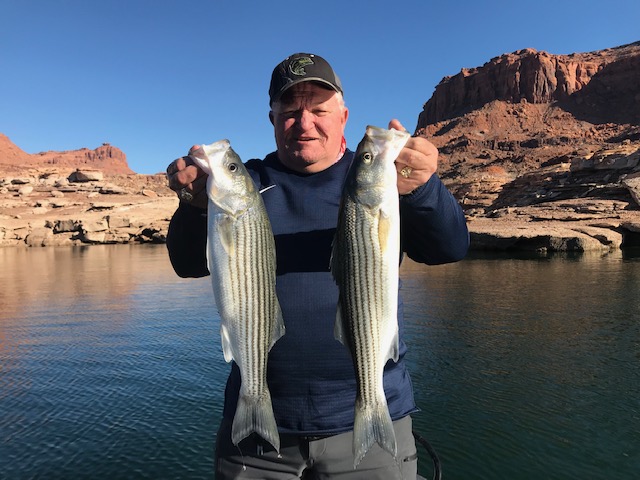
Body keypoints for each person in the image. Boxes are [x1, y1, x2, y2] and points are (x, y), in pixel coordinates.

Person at [165, 52, 469, 480]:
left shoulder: (384, 183)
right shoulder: (246, 184)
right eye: (290, 111)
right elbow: (186, 264)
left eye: (319, 110)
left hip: (373, 414)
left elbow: (450, 248)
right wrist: (195, 206)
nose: (305, 123)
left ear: (343, 115)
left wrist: (423, 190)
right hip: (256, 435)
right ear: (271, 118)